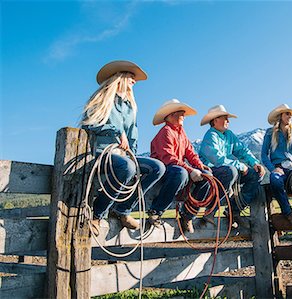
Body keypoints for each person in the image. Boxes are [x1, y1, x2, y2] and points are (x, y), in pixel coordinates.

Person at [81, 60, 165, 235]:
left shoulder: (130, 107)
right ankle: (97, 213)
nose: (134, 81)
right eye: (131, 77)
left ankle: (123, 209)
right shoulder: (101, 99)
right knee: (127, 167)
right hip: (101, 152)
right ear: (120, 78)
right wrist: (117, 131)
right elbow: (89, 125)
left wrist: (132, 153)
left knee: (157, 168)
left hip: (123, 155)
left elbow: (132, 136)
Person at [148, 99, 211, 233]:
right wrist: (191, 169)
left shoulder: (181, 133)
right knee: (180, 173)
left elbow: (190, 152)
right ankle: (156, 210)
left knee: (207, 176)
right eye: (180, 113)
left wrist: (200, 166)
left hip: (177, 167)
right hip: (164, 169)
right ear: (171, 115)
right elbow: (168, 158)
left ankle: (188, 215)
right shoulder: (165, 131)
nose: (183, 116)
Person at [199, 105, 266, 227]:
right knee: (231, 171)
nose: (228, 121)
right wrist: (240, 165)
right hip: (212, 172)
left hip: (229, 169)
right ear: (215, 120)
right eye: (225, 118)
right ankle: (211, 210)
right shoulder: (210, 136)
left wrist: (254, 163)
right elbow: (217, 159)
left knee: (255, 175)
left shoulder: (229, 135)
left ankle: (233, 210)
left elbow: (242, 150)